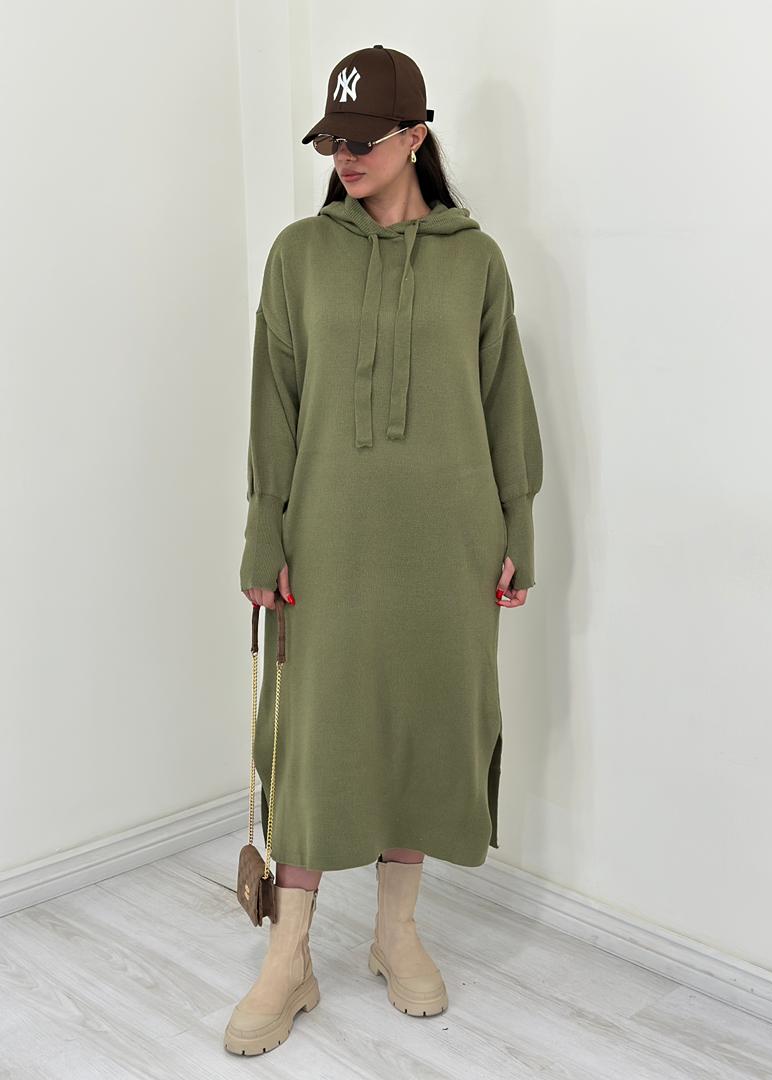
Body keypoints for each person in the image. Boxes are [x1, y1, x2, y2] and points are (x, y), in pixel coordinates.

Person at [224, 44, 543, 1056]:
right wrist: (263, 531)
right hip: (325, 544)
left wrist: (518, 529)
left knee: (419, 726)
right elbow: (274, 406)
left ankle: (395, 934)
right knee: (315, 741)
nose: (346, 156)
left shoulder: (477, 262)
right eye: (333, 140)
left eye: (365, 140)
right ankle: (290, 957)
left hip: (449, 547)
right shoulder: (297, 256)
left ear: (415, 136)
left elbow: (505, 405)